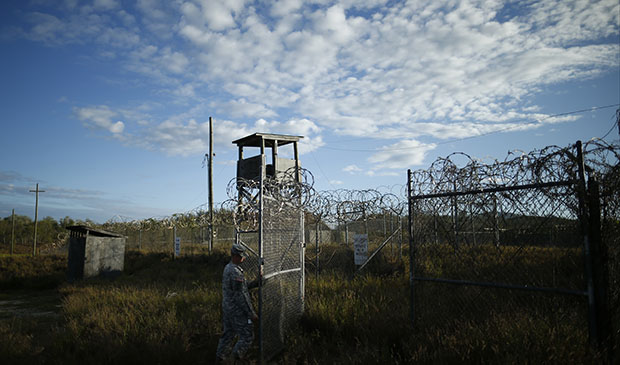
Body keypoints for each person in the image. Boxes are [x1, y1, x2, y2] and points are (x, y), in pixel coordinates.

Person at [216, 243, 259, 362]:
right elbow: (241, 295)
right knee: (247, 335)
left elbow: (241, 288)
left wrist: (255, 283)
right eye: (242, 256)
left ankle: (220, 358)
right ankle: (236, 359)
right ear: (235, 256)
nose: (244, 258)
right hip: (236, 310)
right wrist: (251, 313)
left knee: (228, 334)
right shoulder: (235, 272)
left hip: (228, 308)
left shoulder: (228, 268)